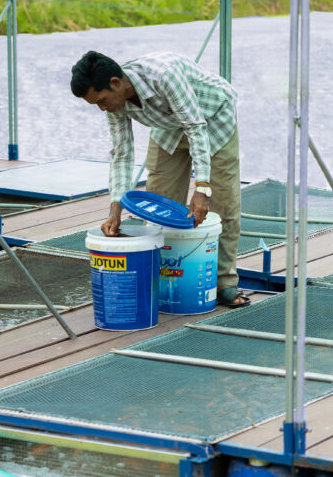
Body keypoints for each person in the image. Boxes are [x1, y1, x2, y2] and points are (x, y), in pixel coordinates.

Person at [70, 50, 249, 308]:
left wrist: (201, 188)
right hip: (167, 128)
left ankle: (223, 283)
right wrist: (115, 207)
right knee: (156, 203)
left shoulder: (164, 76)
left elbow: (195, 128)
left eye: (101, 100)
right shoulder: (114, 102)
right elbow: (122, 152)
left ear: (116, 83)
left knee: (221, 205)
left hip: (212, 119)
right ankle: (164, 277)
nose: (102, 108)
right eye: (95, 104)